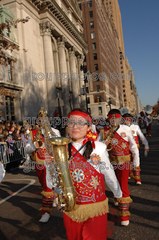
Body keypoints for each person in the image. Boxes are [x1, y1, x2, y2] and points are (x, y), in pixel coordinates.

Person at [62, 108, 122, 240]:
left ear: (89, 127)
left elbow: (109, 173)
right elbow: (55, 176)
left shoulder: (99, 148)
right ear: (67, 126)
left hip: (95, 207)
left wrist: (117, 193)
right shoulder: (61, 149)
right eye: (72, 122)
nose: (75, 126)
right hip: (71, 207)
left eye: (81, 123)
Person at [99, 109, 140, 226]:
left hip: (124, 162)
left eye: (116, 118)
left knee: (123, 185)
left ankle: (124, 215)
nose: (114, 121)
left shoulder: (126, 129)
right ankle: (116, 198)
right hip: (110, 162)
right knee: (113, 183)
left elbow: (133, 147)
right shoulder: (104, 130)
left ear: (120, 119)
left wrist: (136, 163)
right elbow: (98, 146)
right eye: (111, 119)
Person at [25, 112, 61, 223]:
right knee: (45, 186)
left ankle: (46, 212)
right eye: (41, 120)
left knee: (47, 188)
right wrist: (34, 146)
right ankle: (55, 196)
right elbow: (26, 149)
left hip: (52, 164)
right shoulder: (32, 133)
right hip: (39, 165)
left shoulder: (55, 132)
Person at [122, 113, 149, 184]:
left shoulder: (135, 126)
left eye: (128, 120)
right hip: (125, 146)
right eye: (125, 120)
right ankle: (129, 173)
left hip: (135, 146)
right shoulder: (121, 127)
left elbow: (141, 136)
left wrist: (146, 145)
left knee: (136, 159)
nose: (127, 121)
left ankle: (137, 178)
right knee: (127, 160)